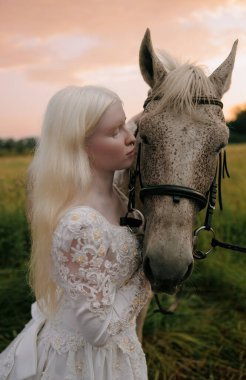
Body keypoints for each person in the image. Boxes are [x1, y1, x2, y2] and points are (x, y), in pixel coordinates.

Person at [0, 85, 151, 380]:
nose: (131, 138)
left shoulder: (120, 199)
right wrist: (149, 274)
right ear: (79, 145)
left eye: (126, 125)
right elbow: (99, 331)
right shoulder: (80, 224)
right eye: (114, 131)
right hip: (85, 363)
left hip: (120, 351)